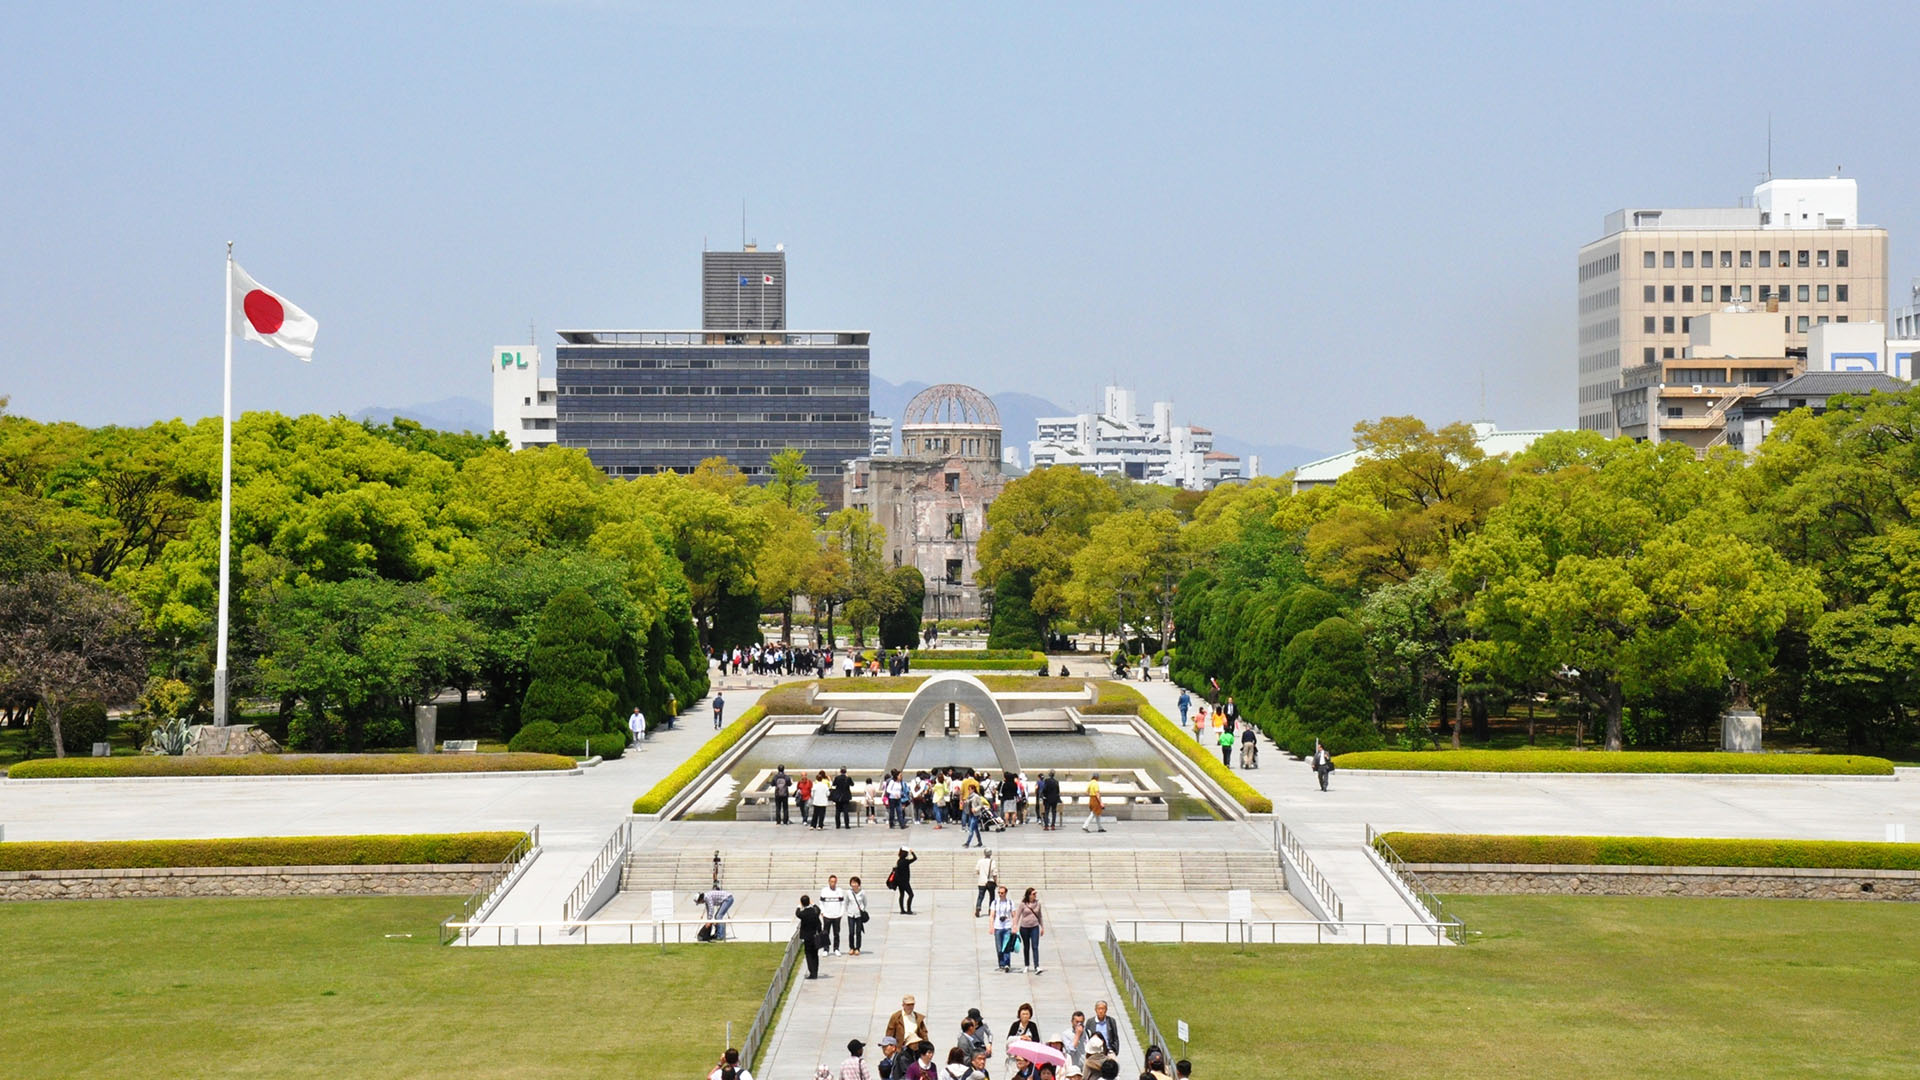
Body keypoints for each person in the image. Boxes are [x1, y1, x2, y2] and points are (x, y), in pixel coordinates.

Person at [1016, 887, 1045, 974]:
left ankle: (1037, 966)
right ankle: (1026, 965)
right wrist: (1014, 926)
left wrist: (1042, 927)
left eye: (1035, 894)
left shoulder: (1038, 904)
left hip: (1034, 927)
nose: (1035, 895)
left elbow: (1040, 916)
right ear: (1029, 895)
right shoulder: (1023, 904)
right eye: (1033, 894)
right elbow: (1017, 915)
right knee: (1026, 947)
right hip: (1024, 927)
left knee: (1035, 946)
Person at [795, 894, 824, 979]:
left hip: (807, 937)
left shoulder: (803, 914)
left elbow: (797, 913)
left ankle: (812, 972)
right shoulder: (815, 911)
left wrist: (799, 905)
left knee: (809, 955)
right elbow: (818, 909)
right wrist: (813, 903)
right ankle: (815, 972)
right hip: (815, 936)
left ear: (802, 903)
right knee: (815, 955)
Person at [989, 884, 1016, 972]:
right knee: (999, 948)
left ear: (1006, 893)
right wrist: (991, 926)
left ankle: (1007, 964)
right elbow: (992, 915)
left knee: (1006, 946)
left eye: (1002, 893)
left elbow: (1014, 915)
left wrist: (1014, 926)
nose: (1000, 894)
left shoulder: (1010, 902)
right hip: (998, 927)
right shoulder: (995, 902)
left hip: (1007, 926)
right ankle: (1001, 963)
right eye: (999, 893)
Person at [819, 874, 848, 955]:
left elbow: (842, 903)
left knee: (836, 933)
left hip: (837, 916)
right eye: (831, 881)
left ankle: (836, 948)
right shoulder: (824, 890)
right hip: (827, 915)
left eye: (834, 882)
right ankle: (825, 949)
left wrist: (841, 913)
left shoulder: (839, 890)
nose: (833, 883)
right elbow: (821, 902)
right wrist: (823, 912)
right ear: (829, 882)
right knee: (825, 933)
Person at [846, 875, 869, 956]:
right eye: (852, 883)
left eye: (855, 883)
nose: (854, 884)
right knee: (851, 932)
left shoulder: (862, 892)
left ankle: (857, 948)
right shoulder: (848, 892)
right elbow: (846, 903)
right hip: (850, 915)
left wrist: (862, 910)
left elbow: (865, 902)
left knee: (858, 932)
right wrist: (848, 911)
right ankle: (851, 947)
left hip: (859, 915)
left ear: (858, 884)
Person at [891, 847, 918, 914]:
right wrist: (912, 852)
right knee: (911, 895)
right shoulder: (906, 861)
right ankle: (908, 910)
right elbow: (915, 858)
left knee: (902, 895)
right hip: (905, 882)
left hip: (900, 882)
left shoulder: (899, 861)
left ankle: (902, 910)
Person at [973, 848, 998, 917]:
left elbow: (977, 870)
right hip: (990, 881)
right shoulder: (992, 862)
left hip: (981, 881)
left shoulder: (980, 861)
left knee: (980, 896)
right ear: (990, 854)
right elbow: (994, 873)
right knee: (992, 896)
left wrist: (982, 874)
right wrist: (996, 882)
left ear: (984, 853)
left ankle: (978, 907)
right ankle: (990, 909)